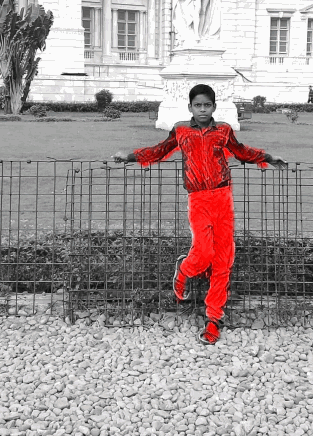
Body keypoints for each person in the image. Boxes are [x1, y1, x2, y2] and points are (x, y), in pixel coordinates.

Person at [114, 84, 287, 345]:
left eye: (207, 105)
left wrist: (269, 157)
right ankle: (184, 271)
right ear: (190, 107)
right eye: (198, 105)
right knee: (204, 253)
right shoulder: (181, 130)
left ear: (214, 107)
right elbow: (160, 150)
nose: (203, 110)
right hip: (198, 200)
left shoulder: (224, 130)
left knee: (223, 261)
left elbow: (241, 151)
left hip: (223, 198)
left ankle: (214, 318)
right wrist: (130, 157)